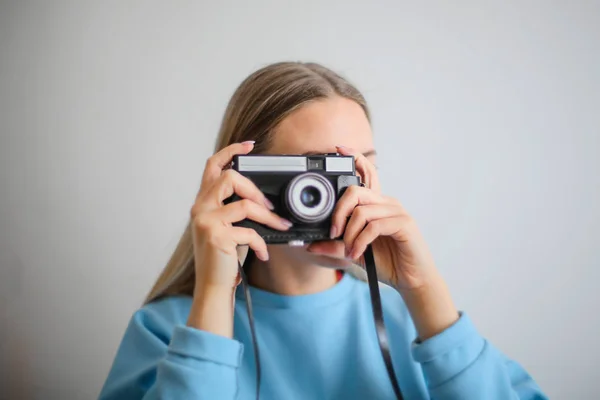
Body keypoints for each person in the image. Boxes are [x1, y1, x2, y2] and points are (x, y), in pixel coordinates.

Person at [98, 62, 546, 399]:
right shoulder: (170, 329)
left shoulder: (417, 324)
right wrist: (214, 293)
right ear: (241, 177)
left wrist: (424, 289)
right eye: (308, 173)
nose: (329, 194)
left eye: (353, 168)